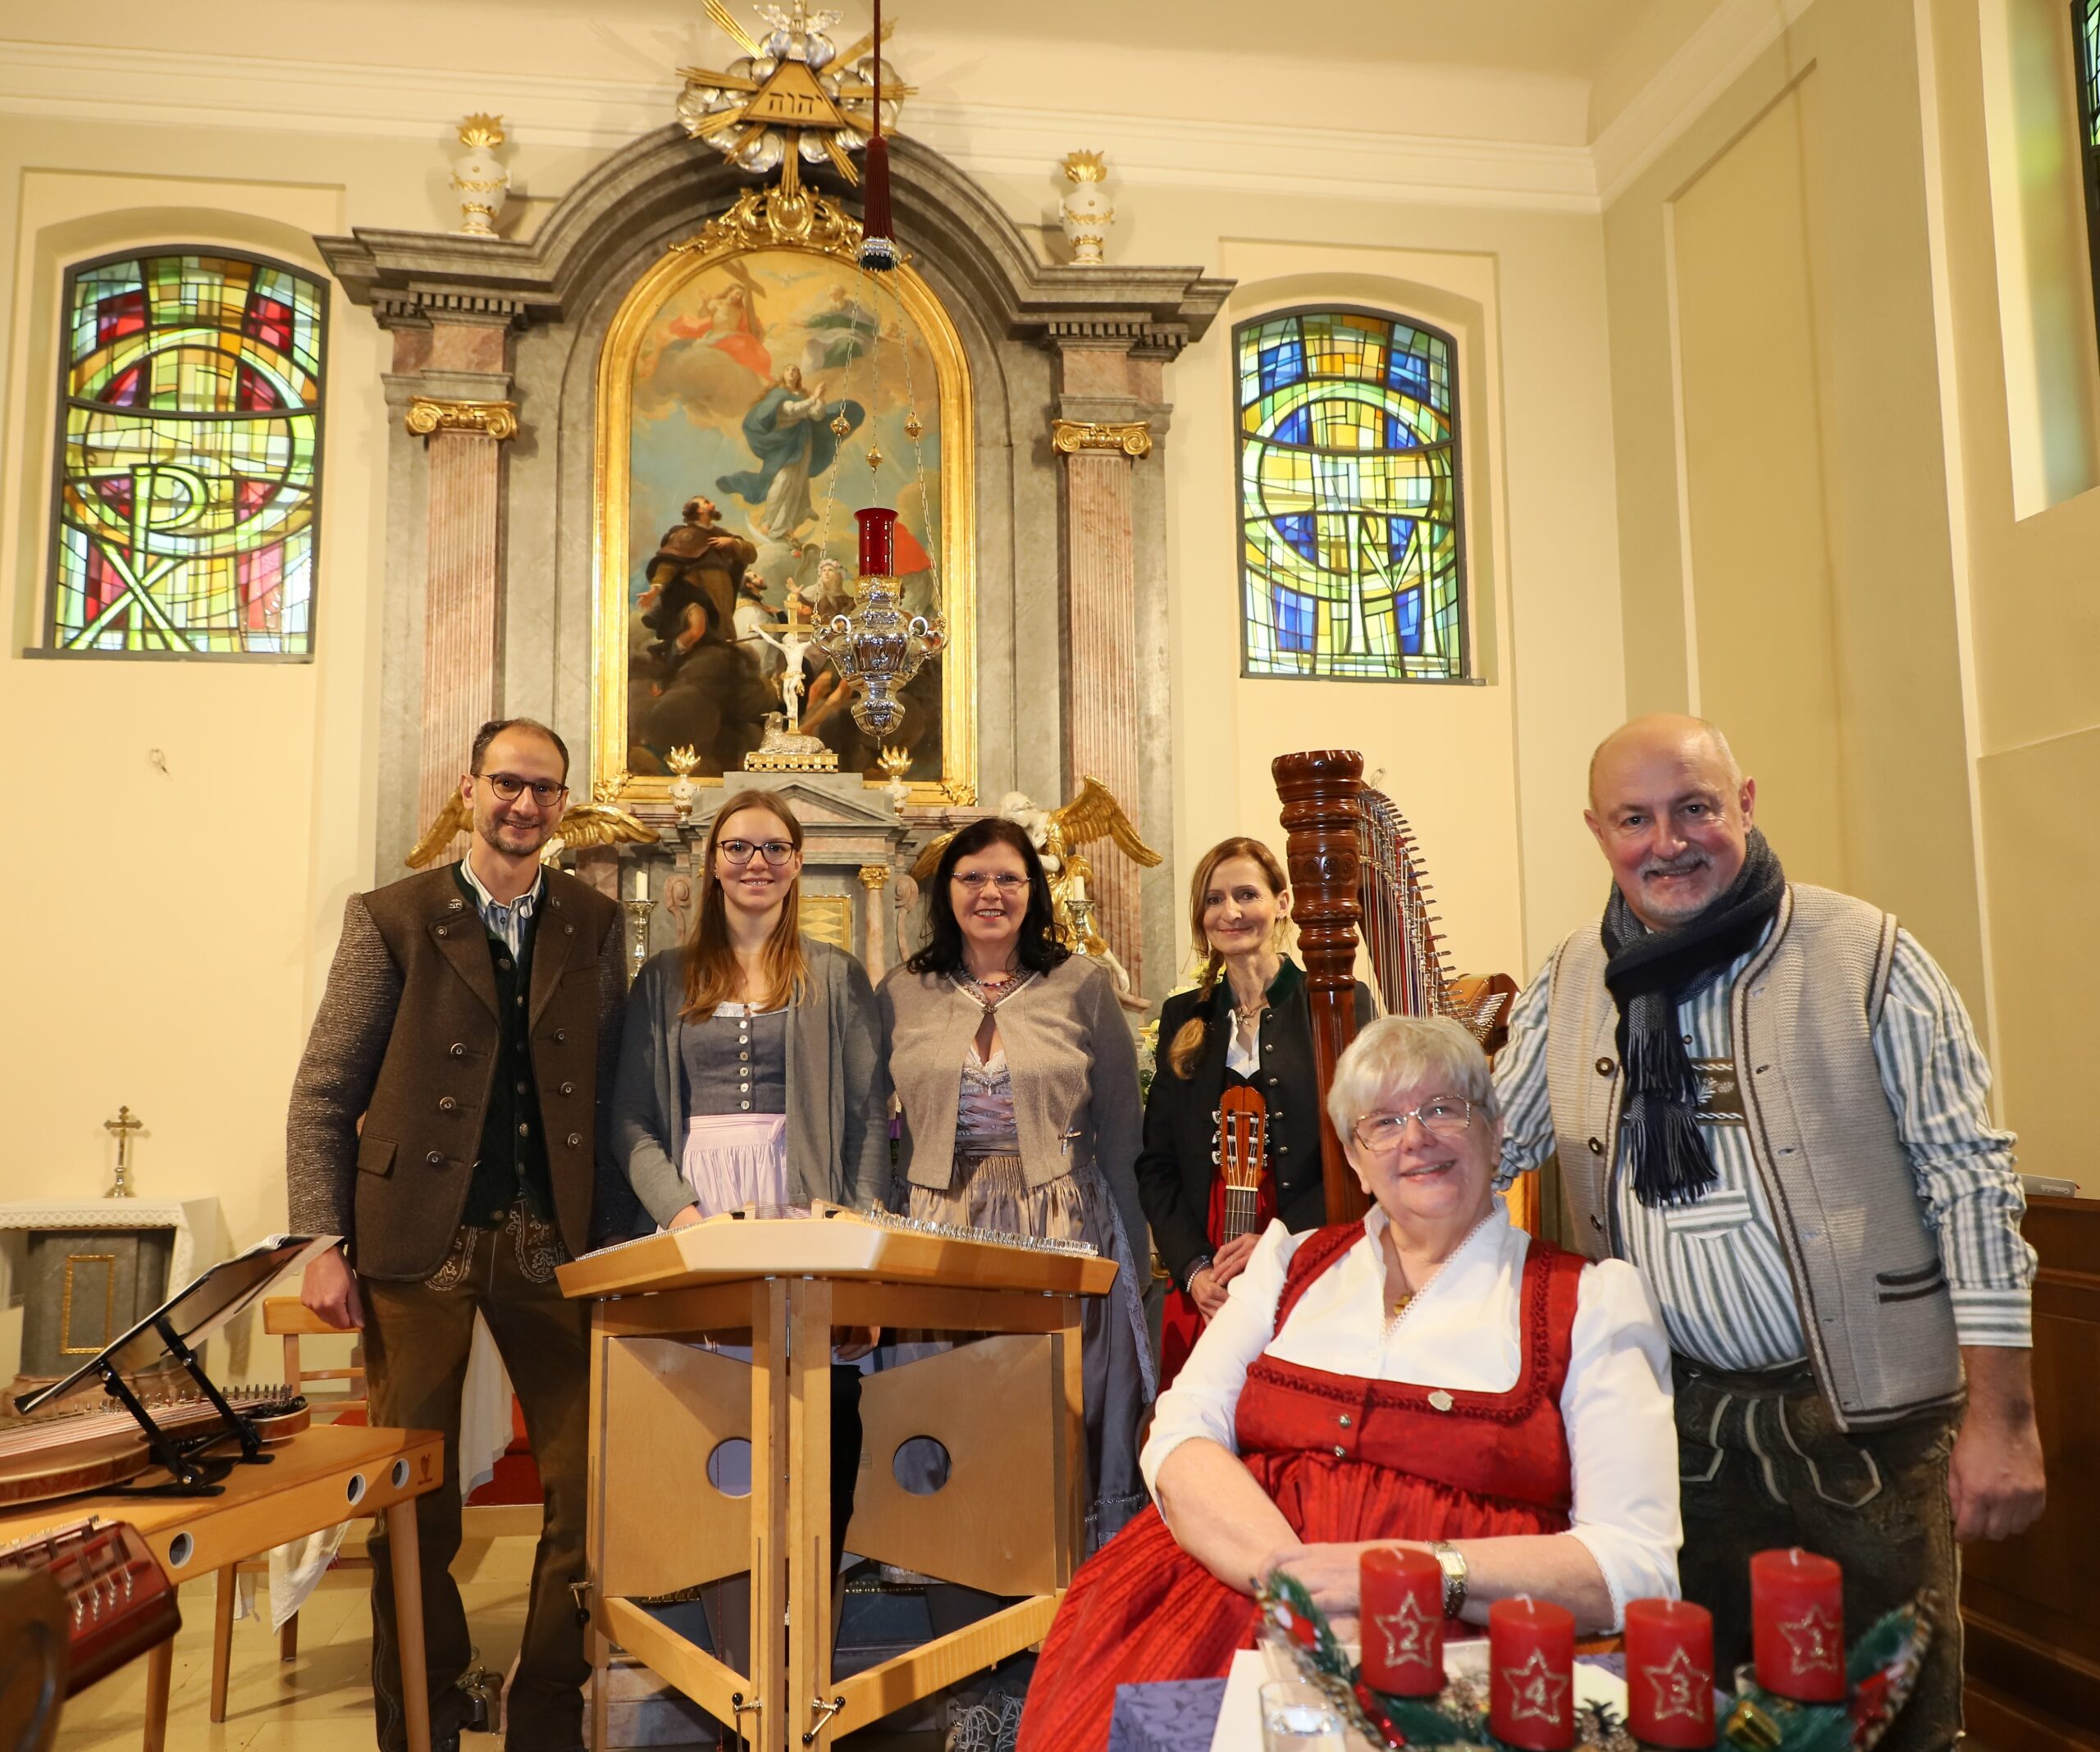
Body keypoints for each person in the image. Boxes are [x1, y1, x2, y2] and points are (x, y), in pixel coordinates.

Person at [1495, 713, 2045, 1752]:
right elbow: (1482, 1146)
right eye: (1635, 819)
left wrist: (2004, 1417)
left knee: (1899, 1724)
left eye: (1694, 808)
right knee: (1701, 1718)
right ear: (1596, 831)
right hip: (1678, 1427)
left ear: (1743, 804)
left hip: (1868, 1425)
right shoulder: (1572, 981)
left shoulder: (1865, 953)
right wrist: (1323, 1255)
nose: (1667, 841)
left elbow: (1971, 1184)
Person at [1018, 1015, 1679, 1750]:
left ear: (1495, 1134)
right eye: (1385, 1122)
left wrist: (1399, 1577)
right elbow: (1181, 1428)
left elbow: (1637, 1563)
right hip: (1232, 1593)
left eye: (1443, 1109)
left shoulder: (1591, 1299)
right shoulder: (1288, 1263)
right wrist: (1291, 1580)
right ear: (1357, 1162)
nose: (1416, 1138)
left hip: (1454, 1638)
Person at [285, 718, 628, 1752]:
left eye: (546, 791)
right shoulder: (392, 916)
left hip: (548, 1243)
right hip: (412, 1245)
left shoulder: (591, 921)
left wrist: (616, 1247)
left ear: (563, 806)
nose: (525, 806)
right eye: (508, 785)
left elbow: (610, 1095)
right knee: (413, 1498)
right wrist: (319, 1239)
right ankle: (423, 1713)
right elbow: (324, 1091)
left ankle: (544, 1706)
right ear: (471, 788)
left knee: (588, 1485)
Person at [610, 787, 888, 1551]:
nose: (755, 863)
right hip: (700, 1211)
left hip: (805, 1209)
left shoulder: (835, 976)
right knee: (712, 1426)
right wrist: (684, 1222)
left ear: (798, 864)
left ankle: (807, 1611)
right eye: (738, 848)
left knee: (816, 1423)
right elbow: (630, 1120)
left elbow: (867, 1120)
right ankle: (724, 1627)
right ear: (711, 863)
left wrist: (859, 1256)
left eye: (773, 848)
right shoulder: (663, 979)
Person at [879, 818, 1154, 1549]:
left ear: (1035, 890)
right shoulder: (904, 990)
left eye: (1008, 878)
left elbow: (1124, 1132)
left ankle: (1065, 1591)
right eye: (972, 878)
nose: (990, 893)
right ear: (947, 892)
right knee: (951, 1403)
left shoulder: (1081, 985)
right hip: (941, 1223)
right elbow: (870, 1126)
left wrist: (1136, 1258)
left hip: (1059, 1223)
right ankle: (961, 1588)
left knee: (1059, 1411)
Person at [1138, 837, 1374, 1387]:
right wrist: (1194, 1269)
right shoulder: (1183, 1015)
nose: (1231, 912)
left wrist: (1278, 1240)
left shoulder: (1336, 1004)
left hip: (1309, 1249)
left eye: (1247, 894)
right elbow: (1157, 1165)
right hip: (1208, 1266)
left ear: (1284, 903)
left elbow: (1359, 1150)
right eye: (1215, 899)